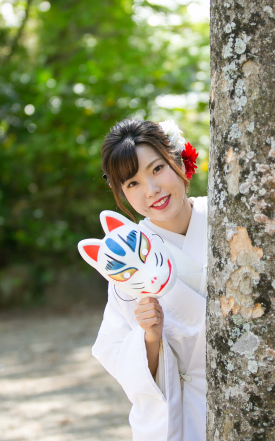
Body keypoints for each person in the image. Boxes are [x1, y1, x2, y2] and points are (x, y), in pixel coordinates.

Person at [91, 118, 206, 441]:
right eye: (132, 184)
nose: (151, 191)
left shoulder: (229, 218)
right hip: (188, 412)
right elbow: (113, 350)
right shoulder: (129, 254)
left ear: (180, 161)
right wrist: (149, 338)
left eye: (157, 170)